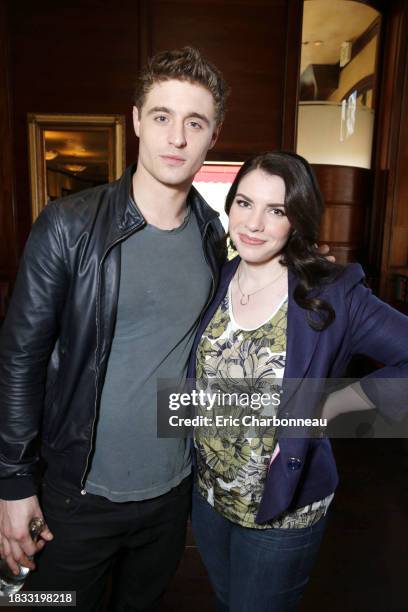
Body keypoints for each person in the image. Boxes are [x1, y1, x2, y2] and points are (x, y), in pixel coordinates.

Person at [0, 46, 228, 611]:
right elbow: (20, 359)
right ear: (136, 121)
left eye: (194, 122)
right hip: (76, 498)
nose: (176, 137)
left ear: (212, 136)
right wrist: (13, 483)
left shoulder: (212, 235)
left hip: (171, 496)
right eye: (161, 117)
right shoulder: (67, 226)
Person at [187, 151, 408, 612]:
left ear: (298, 220)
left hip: (283, 510)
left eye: (277, 210)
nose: (254, 224)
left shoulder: (331, 293)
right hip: (208, 497)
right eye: (244, 203)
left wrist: (329, 405)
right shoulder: (216, 276)